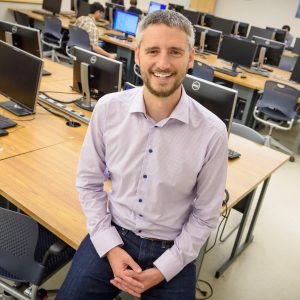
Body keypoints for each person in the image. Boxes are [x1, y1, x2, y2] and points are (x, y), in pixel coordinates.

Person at [56, 10, 228, 300]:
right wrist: (110, 247)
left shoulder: (212, 132)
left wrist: (164, 269)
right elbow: (88, 182)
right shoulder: (109, 109)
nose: (163, 63)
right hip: (113, 232)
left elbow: (206, 214)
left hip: (172, 247)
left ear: (190, 57)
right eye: (152, 51)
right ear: (137, 55)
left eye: (175, 52)